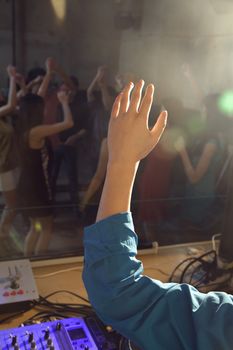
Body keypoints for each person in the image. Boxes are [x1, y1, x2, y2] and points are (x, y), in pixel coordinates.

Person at [83, 80, 233, 349]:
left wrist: (124, 160)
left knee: (151, 218)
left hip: (169, 187)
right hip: (156, 182)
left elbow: (119, 291)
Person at [17, 89, 73, 256]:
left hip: (29, 186)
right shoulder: (37, 131)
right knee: (46, 227)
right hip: (36, 188)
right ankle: (38, 263)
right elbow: (68, 123)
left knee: (36, 228)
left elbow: (38, 95)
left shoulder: (24, 129)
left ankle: (29, 263)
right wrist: (63, 102)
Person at [0, 65, 19, 239]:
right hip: (3, 168)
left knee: (12, 204)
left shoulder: (3, 117)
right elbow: (12, 104)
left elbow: (16, 100)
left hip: (8, 165)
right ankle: (3, 235)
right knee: (12, 204)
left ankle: (3, 234)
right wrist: (12, 78)